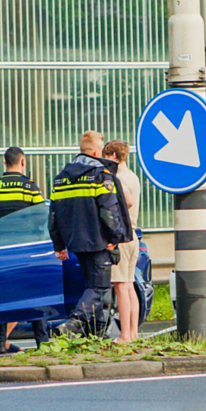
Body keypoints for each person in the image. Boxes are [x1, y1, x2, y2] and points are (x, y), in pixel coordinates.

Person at [49, 131, 133, 337]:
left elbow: (53, 215)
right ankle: (74, 322)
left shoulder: (61, 178)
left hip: (75, 243)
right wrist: (115, 238)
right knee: (99, 287)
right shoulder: (101, 175)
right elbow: (109, 211)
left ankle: (96, 337)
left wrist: (59, 245)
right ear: (97, 152)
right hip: (99, 242)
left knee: (91, 288)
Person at [0, 147, 49, 353]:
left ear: (5, 164)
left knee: (2, 295)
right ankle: (42, 342)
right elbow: (41, 216)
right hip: (27, 248)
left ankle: (0, 342)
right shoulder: (29, 187)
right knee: (35, 293)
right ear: (23, 162)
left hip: (1, 249)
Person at [103, 140, 142, 344]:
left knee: (120, 287)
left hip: (121, 236)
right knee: (129, 285)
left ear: (114, 157)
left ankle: (124, 335)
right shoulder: (133, 176)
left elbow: (128, 201)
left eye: (106, 156)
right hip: (133, 234)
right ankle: (133, 333)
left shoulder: (117, 177)